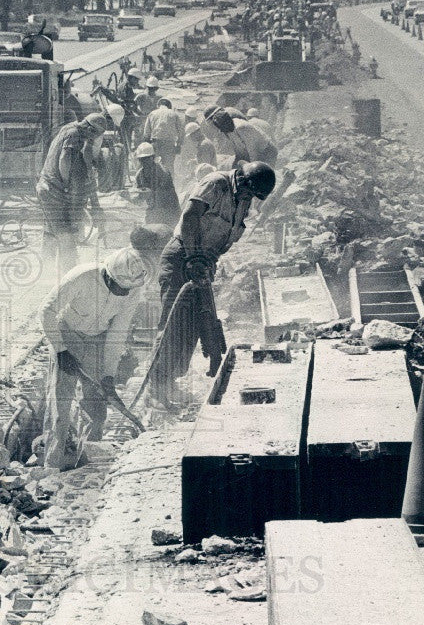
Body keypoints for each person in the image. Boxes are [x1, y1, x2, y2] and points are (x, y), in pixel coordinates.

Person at [147, 162, 276, 409]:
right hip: (181, 257)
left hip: (203, 261)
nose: (250, 199)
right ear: (244, 181)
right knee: (173, 325)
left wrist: (205, 262)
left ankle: (169, 381)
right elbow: (190, 216)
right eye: (250, 193)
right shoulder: (216, 183)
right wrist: (193, 256)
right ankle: (155, 388)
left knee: (194, 327)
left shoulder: (243, 199)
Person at [39, 247, 149, 470]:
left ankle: (87, 462)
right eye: (120, 288)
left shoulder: (132, 289)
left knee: (96, 407)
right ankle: (52, 465)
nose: (124, 293)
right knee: (60, 404)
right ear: (109, 276)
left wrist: (108, 375)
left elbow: (117, 334)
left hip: (97, 339)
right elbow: (46, 310)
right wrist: (61, 350)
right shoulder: (82, 276)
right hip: (67, 334)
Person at [36, 113, 108, 275]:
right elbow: (64, 159)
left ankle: (46, 271)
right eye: (94, 134)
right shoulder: (74, 134)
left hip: (47, 186)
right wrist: (67, 184)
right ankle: (68, 273)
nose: (93, 138)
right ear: (89, 128)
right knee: (64, 233)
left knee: (51, 231)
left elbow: (85, 157)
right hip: (52, 189)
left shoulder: (70, 128)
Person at [202, 107, 278, 168]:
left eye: (221, 128)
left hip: (266, 152)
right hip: (253, 154)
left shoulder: (242, 128)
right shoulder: (228, 130)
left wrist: (250, 168)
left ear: (227, 123)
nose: (221, 131)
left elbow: (254, 152)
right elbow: (239, 152)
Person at [134, 142, 182, 227]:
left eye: (147, 158)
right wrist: (135, 197)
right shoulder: (139, 175)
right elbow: (140, 197)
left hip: (169, 209)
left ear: (152, 158)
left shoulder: (162, 172)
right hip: (153, 210)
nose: (144, 162)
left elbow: (167, 195)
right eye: (142, 159)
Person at [142, 97, 184, 174]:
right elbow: (181, 132)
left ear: (159, 105)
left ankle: (155, 184)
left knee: (155, 165)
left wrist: (147, 145)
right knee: (169, 166)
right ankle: (170, 184)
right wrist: (179, 145)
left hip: (156, 143)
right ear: (169, 106)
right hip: (169, 144)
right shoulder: (174, 114)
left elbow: (146, 132)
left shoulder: (152, 113)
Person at [132, 75, 161, 142]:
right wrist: (139, 113)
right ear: (147, 87)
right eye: (150, 88)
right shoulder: (141, 96)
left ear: (156, 89)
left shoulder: (159, 98)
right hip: (143, 120)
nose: (152, 90)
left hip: (154, 121)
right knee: (141, 137)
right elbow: (132, 106)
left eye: (154, 89)